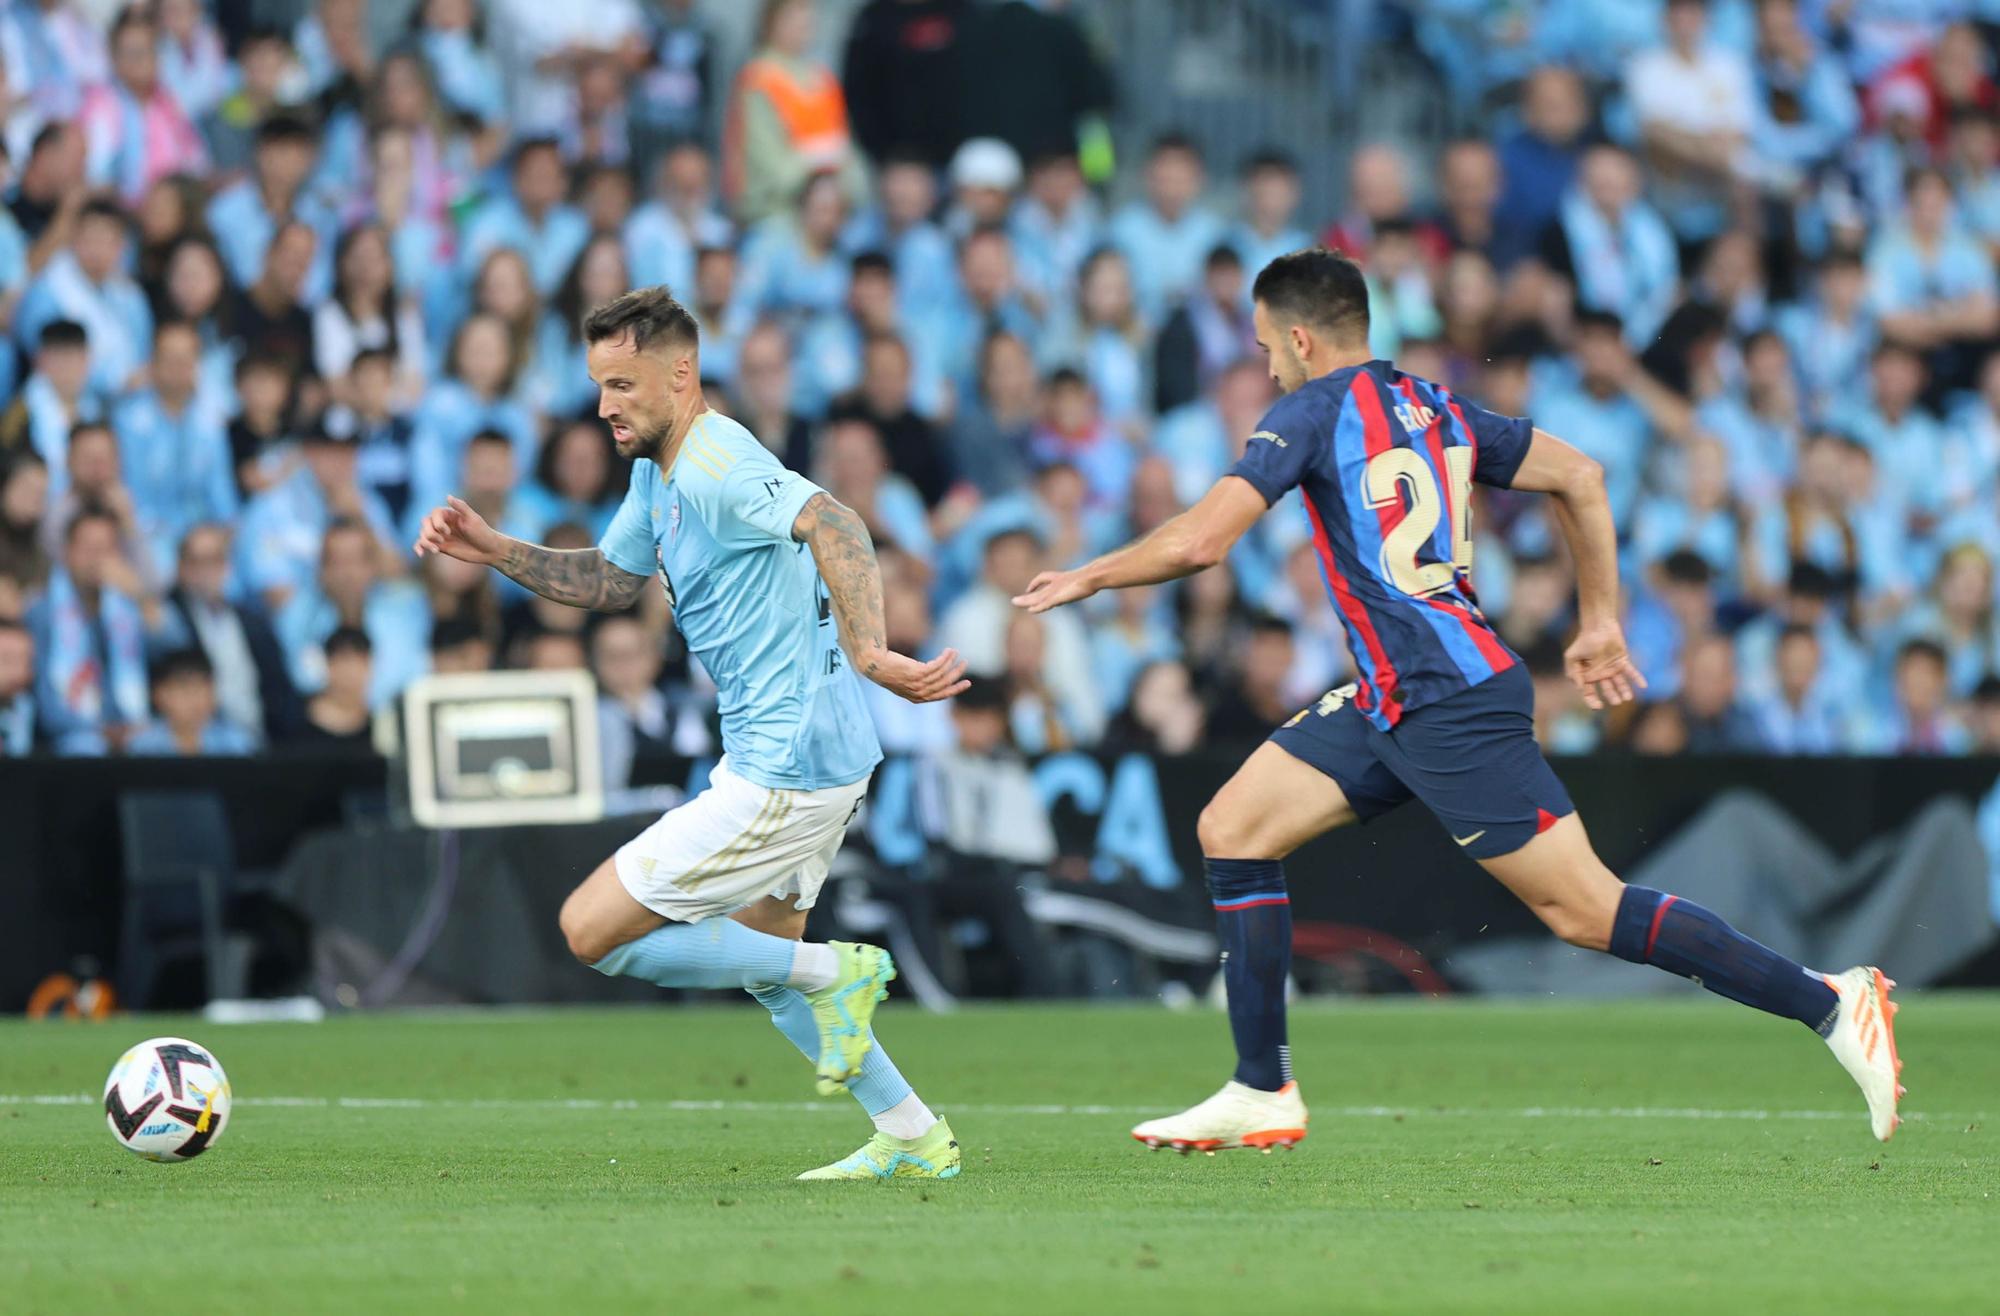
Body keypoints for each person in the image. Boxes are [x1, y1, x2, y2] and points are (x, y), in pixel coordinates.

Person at [1012, 248, 1905, 1151]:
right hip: (1391, 696)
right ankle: (1261, 1087)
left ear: (1297, 337)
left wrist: (1088, 576)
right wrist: (1598, 620)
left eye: (1266, 348)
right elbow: (1584, 477)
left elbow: (1204, 542)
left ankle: (1830, 1002)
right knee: (1233, 830)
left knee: (1585, 911)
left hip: (1448, 698)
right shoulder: (1432, 404)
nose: (1267, 366)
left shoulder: (1310, 411)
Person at [411, 286, 969, 1180]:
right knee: (762, 958)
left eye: (622, 385)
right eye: (599, 387)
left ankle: (838, 974)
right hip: (811, 756)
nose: (604, 408)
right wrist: (495, 548)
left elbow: (834, 519)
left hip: (782, 767)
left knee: (591, 928)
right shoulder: (658, 472)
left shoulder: (713, 461)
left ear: (680, 374)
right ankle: (909, 1129)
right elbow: (610, 580)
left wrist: (873, 651)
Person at [127, 647, 255, 755]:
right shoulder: (143, 747)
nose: (196, 701)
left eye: (203, 689)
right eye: (186, 690)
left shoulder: (236, 743)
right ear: (158, 695)